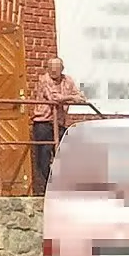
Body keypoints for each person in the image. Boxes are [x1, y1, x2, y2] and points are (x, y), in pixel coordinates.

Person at [32, 56, 85, 193]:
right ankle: (48, 188)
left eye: (56, 69)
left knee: (65, 154)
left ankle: (64, 186)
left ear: (62, 69)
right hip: (43, 122)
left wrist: (75, 97)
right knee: (43, 156)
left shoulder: (67, 80)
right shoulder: (44, 80)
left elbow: (81, 96)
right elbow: (53, 98)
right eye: (50, 69)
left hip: (59, 122)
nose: (53, 72)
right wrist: (72, 98)